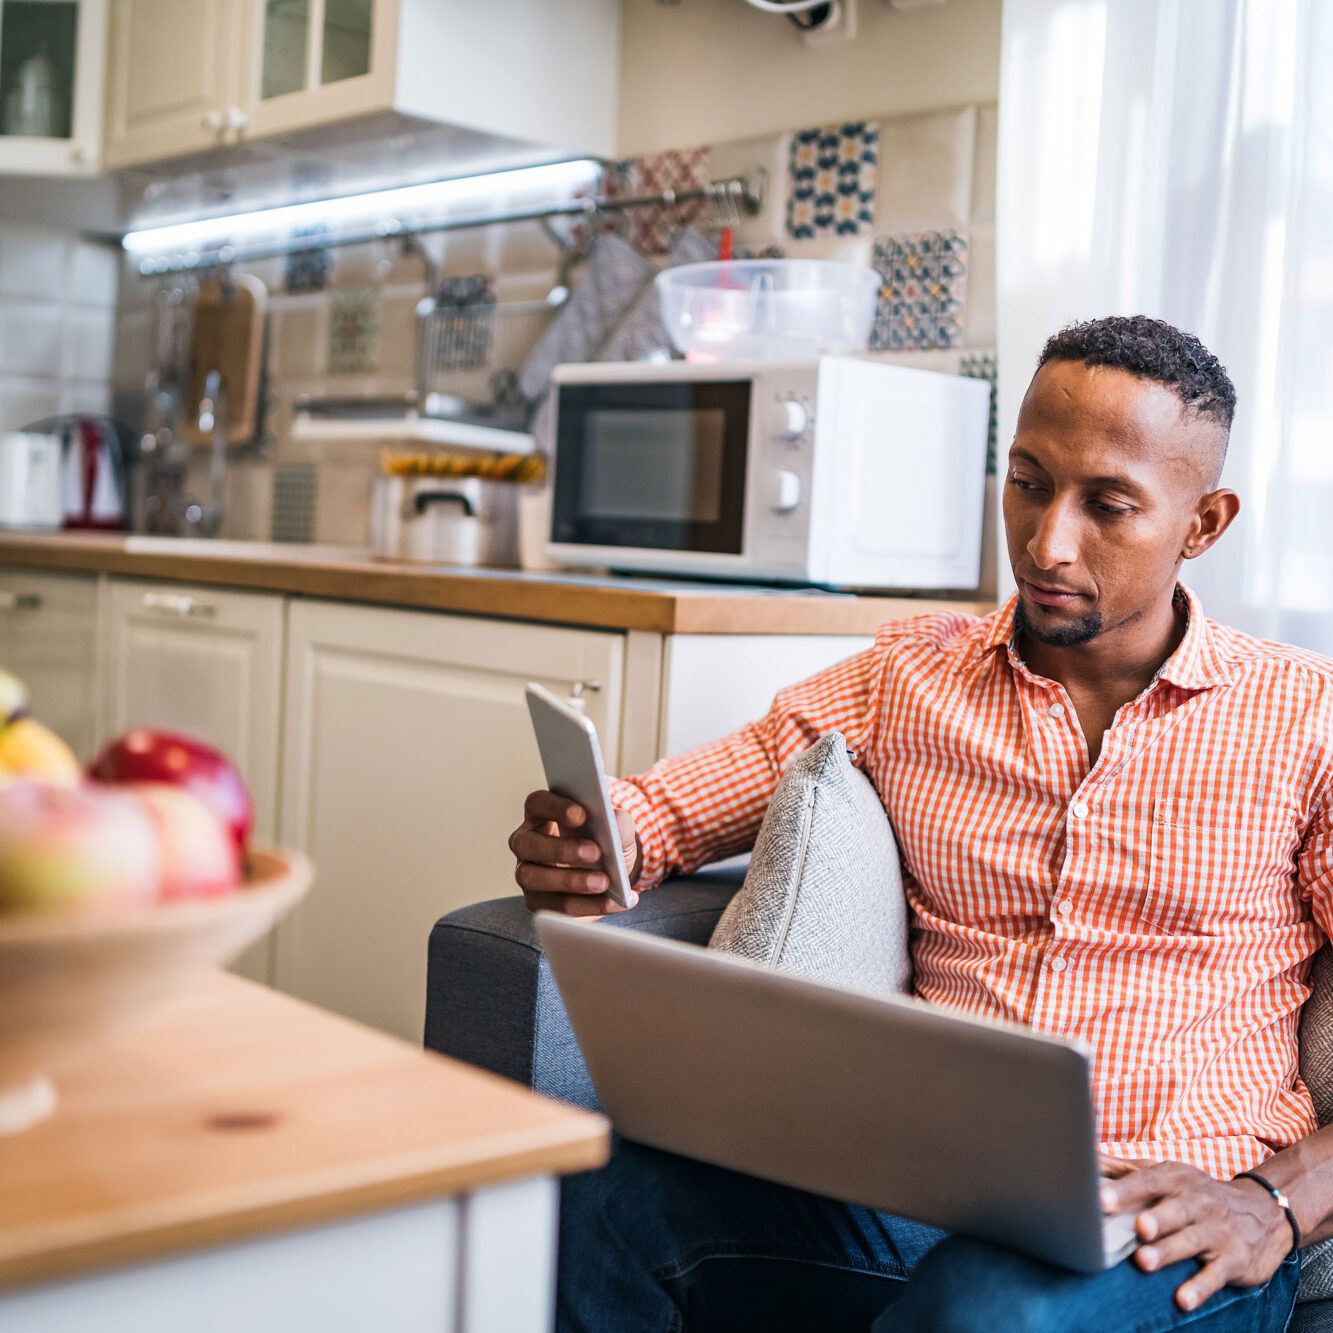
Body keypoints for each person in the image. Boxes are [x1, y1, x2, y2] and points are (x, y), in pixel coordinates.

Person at [509, 315, 1333, 1331]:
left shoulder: (1304, 720)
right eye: (1028, 481)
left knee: (978, 1310)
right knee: (595, 1199)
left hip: (1174, 1223)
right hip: (921, 1191)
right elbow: (670, 807)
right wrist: (597, 840)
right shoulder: (910, 675)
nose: (1046, 542)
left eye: (1107, 506)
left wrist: (1279, 1201)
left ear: (1201, 524)